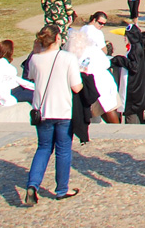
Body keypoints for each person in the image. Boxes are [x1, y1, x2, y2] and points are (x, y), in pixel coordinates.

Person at [24, 24, 84, 205]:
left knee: (43, 148)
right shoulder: (68, 58)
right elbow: (76, 87)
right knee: (63, 150)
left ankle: (33, 185)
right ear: (58, 38)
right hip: (63, 110)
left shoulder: (35, 59)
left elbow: (32, 77)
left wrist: (35, 50)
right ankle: (61, 189)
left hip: (42, 111)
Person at [0, 39, 34, 107]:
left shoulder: (3, 62)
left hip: (18, 87)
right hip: (12, 92)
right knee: (35, 97)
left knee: (40, 93)